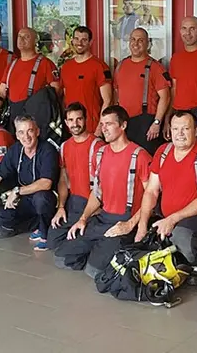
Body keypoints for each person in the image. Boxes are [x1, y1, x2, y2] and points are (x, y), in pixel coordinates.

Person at [54, 106, 153, 279]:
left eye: (109, 124)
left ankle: (105, 253)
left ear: (123, 126)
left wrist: (131, 224)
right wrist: (83, 219)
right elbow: (96, 193)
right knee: (62, 257)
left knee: (94, 271)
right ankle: (99, 249)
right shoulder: (101, 153)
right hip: (102, 218)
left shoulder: (139, 155)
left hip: (124, 220)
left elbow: (151, 196)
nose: (103, 128)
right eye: (102, 124)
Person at [134, 110, 197, 268]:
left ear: (196, 130)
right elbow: (151, 191)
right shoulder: (163, 152)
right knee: (140, 237)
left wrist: (173, 219)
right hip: (167, 217)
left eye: (186, 129)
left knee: (181, 237)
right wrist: (142, 225)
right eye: (175, 129)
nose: (180, 134)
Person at [0, 115, 59, 241]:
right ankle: (37, 224)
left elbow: (46, 183)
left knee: (41, 198)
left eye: (30, 131)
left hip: (46, 198)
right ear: (17, 135)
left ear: (37, 131)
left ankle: (44, 230)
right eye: (21, 132)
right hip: (25, 199)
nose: (26, 136)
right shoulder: (15, 150)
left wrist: (17, 191)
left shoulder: (47, 149)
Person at [47, 103, 106, 251]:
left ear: (85, 120)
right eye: (71, 120)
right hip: (74, 204)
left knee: (70, 248)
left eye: (79, 119)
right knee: (52, 240)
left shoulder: (97, 146)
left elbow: (104, 185)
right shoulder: (65, 147)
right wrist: (61, 207)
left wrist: (91, 213)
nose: (75, 124)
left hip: (93, 206)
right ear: (66, 123)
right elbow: (63, 180)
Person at [113, 28, 171, 155]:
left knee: (146, 162)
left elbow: (165, 97)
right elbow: (116, 94)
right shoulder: (121, 66)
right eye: (133, 40)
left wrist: (157, 123)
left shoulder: (155, 67)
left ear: (147, 44)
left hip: (146, 125)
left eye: (140, 40)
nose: (136, 43)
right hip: (124, 124)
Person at [0, 27, 61, 131]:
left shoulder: (45, 63)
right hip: (13, 120)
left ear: (35, 41)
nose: (21, 39)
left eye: (26, 37)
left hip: (36, 122)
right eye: (19, 36)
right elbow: (1, 92)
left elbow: (55, 92)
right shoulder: (12, 65)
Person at [59, 26, 113, 136]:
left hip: (92, 129)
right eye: (77, 39)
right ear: (72, 40)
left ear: (90, 42)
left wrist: (100, 127)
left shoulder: (100, 66)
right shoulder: (66, 67)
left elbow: (108, 100)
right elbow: (64, 98)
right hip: (71, 129)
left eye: (84, 40)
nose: (80, 43)